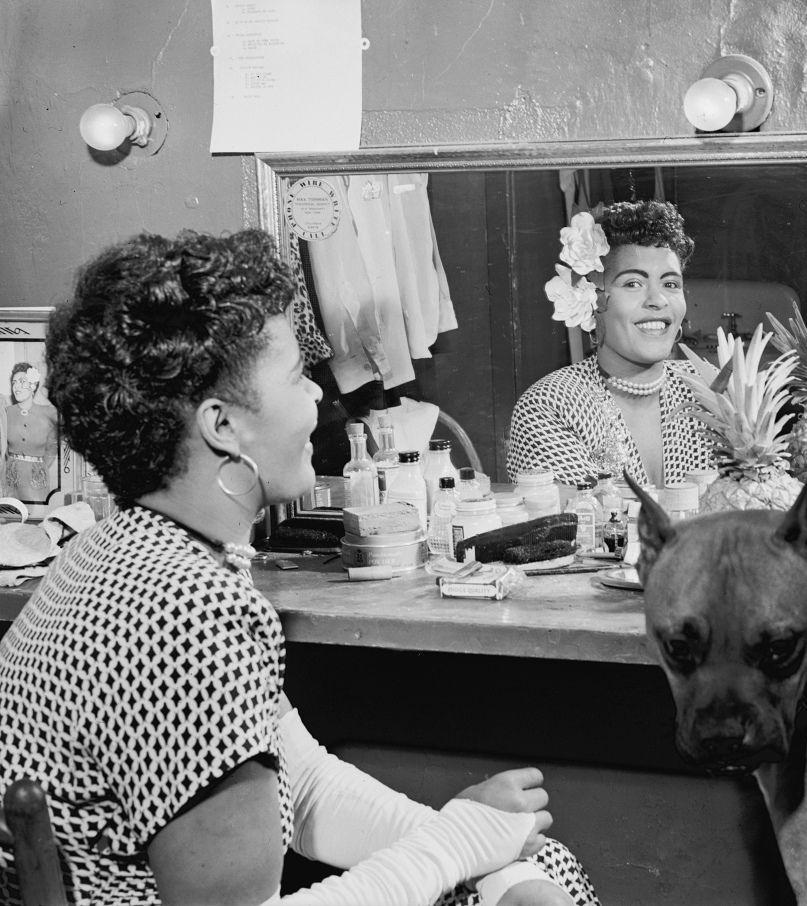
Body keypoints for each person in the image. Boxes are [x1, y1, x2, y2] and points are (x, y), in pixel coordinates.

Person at [0, 230, 597, 906]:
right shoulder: (183, 611)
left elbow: (302, 781)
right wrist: (455, 843)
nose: (318, 395)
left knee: (535, 872)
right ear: (222, 426)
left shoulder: (121, 550)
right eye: (292, 375)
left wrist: (486, 858)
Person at [507, 200, 714, 487]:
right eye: (632, 283)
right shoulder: (551, 404)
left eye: (670, 284)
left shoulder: (709, 392)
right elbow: (576, 525)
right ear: (591, 299)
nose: (658, 300)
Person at [3, 363, 58, 503]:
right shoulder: (5, 412)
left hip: (37, 479)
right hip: (10, 478)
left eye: (22, 382)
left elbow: (52, 450)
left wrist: (39, 469)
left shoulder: (49, 413)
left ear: (33, 385)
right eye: (14, 382)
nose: (17, 386)